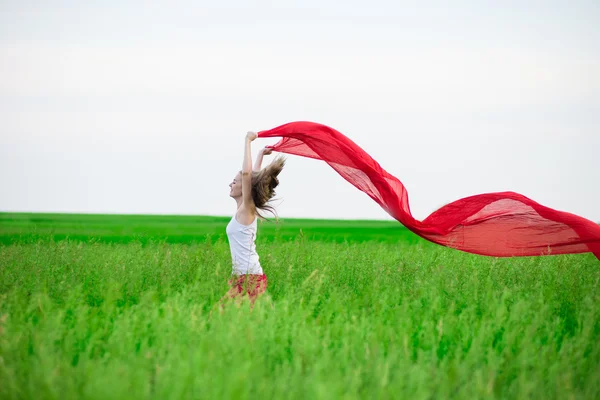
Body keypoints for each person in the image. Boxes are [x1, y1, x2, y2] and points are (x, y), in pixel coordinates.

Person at [223, 131, 285, 306]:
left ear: (244, 187)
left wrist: (248, 141)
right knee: (233, 319)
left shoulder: (247, 210)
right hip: (243, 277)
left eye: (234, 182)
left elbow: (248, 176)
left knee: (223, 316)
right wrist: (259, 155)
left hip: (249, 277)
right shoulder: (244, 210)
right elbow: (252, 178)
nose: (231, 184)